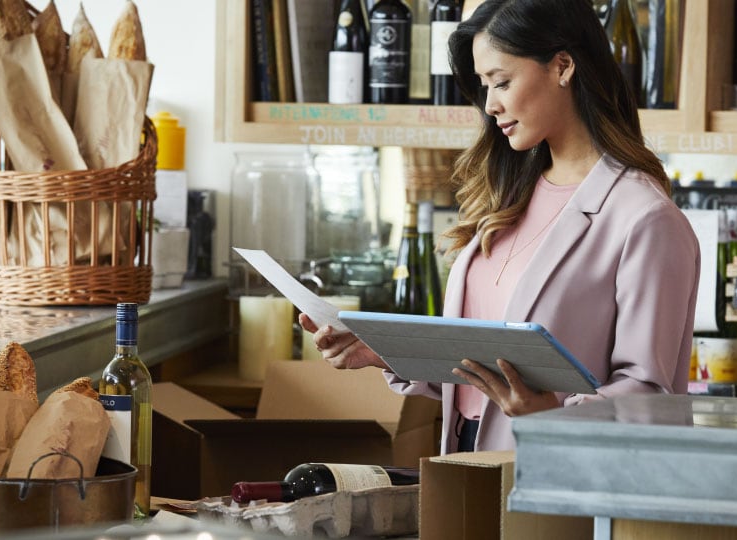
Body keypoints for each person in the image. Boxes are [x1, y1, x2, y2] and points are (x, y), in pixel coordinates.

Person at [300, 0, 700, 454]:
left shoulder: (645, 218)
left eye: (502, 82)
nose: (490, 104)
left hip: (556, 473)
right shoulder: (509, 192)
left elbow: (651, 395)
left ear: (562, 66)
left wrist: (549, 417)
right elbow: (480, 359)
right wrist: (390, 350)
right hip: (465, 455)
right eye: (484, 86)